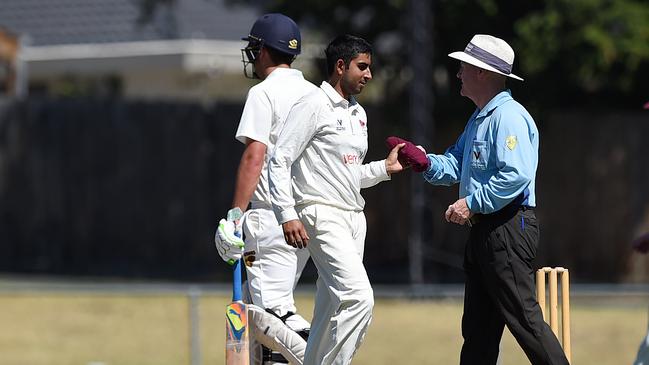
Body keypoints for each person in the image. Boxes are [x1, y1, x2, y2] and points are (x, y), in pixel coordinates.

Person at [416, 34, 569, 364]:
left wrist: (472, 203)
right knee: (478, 331)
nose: (458, 73)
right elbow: (456, 162)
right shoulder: (481, 117)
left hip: (508, 228)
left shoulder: (509, 116)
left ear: (482, 72)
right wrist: (424, 161)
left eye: (464, 67)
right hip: (487, 231)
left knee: (525, 321)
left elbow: (514, 175)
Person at [267, 34, 405, 364]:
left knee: (330, 310)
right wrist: (287, 213)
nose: (369, 75)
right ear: (340, 67)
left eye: (370, 67)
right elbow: (279, 158)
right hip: (319, 212)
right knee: (359, 299)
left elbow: (349, 175)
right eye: (363, 67)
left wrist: (384, 169)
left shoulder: (358, 113)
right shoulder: (313, 104)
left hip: (353, 217)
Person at [213, 13, 317, 364]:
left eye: (253, 48)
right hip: (304, 222)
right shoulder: (314, 94)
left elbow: (255, 156)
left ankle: (320, 358)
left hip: (272, 219)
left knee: (272, 315)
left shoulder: (263, 92)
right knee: (264, 326)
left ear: (262, 51)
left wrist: (234, 217)